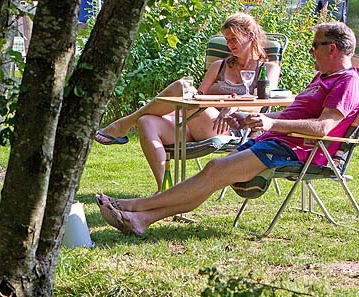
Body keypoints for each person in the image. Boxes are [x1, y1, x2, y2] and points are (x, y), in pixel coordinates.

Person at [96, 22, 359, 236]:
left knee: (215, 171)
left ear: (332, 49)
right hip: (275, 141)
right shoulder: (323, 77)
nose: (311, 51)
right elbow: (291, 112)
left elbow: (323, 127)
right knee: (213, 175)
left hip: (297, 150)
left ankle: (131, 206)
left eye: (315, 46)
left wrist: (272, 123)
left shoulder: (346, 83)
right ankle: (142, 219)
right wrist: (252, 118)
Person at [94, 12, 280, 189]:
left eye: (234, 38)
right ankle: (164, 189)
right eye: (227, 39)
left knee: (181, 88)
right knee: (147, 121)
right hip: (197, 122)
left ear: (250, 36)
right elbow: (198, 96)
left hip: (231, 125)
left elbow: (262, 104)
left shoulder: (268, 68)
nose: (229, 44)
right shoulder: (219, 66)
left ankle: (124, 124)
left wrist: (233, 107)